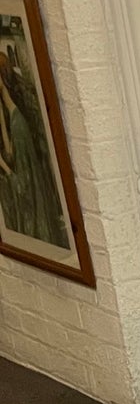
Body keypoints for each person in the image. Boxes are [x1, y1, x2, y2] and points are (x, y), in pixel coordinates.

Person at [0, 47, 67, 251]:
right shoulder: (13, 116)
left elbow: (24, 184)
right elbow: (10, 152)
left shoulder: (19, 125)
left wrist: (7, 170)